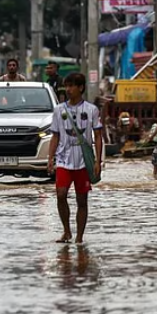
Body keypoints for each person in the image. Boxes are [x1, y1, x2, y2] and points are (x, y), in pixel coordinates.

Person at [47, 73, 104, 245]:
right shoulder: (58, 110)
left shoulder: (92, 110)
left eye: (72, 86)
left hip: (83, 162)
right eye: (67, 86)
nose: (68, 89)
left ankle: (79, 237)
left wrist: (98, 161)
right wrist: (50, 159)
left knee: (82, 200)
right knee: (61, 194)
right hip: (63, 159)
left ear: (80, 88)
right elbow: (55, 136)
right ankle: (66, 231)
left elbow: (98, 135)